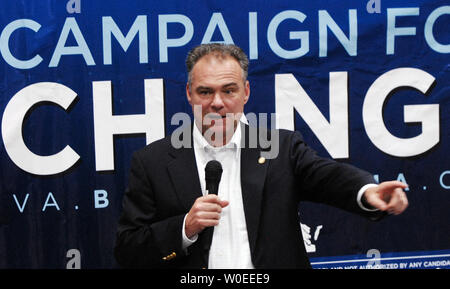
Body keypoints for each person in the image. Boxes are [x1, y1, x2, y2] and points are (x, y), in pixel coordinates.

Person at [114, 43, 409, 269]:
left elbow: (327, 176)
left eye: (229, 90)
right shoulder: (152, 161)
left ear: (246, 92)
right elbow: (128, 250)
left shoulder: (280, 147)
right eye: (205, 92)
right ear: (189, 94)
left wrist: (367, 190)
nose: (217, 103)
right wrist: (184, 228)